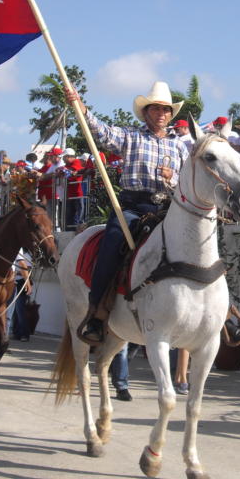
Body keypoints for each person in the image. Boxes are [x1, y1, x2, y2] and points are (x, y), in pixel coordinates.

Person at [66, 80, 185, 344]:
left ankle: (219, 312)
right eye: (156, 109)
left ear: (170, 114)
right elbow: (102, 132)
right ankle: (97, 313)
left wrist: (173, 179)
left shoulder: (179, 146)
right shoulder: (132, 137)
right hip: (132, 207)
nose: (161, 114)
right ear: (146, 112)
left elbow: (187, 181)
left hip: (167, 208)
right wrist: (81, 108)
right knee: (112, 245)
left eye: (166, 110)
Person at [62, 149, 86, 230]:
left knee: (80, 215)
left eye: (64, 157)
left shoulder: (76, 162)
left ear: (69, 157)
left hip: (78, 193)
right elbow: (62, 171)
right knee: (69, 215)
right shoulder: (67, 165)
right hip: (70, 193)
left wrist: (63, 171)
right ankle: (69, 230)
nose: (63, 159)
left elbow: (70, 172)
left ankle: (80, 230)